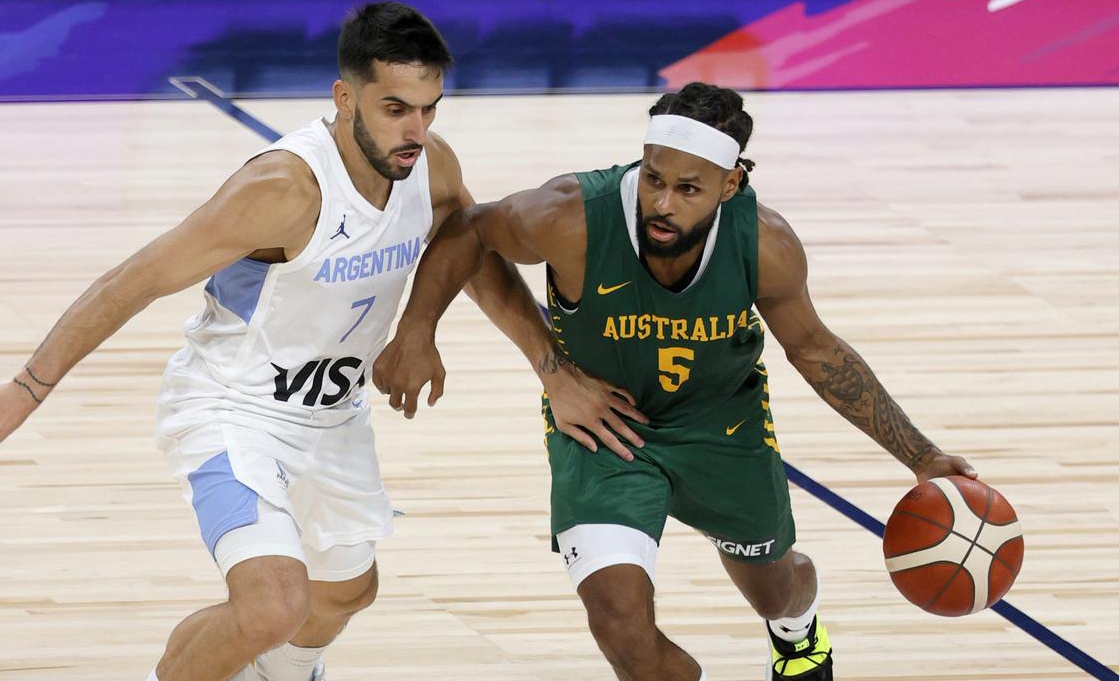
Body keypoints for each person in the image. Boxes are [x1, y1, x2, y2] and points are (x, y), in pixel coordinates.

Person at [0, 2, 639, 681]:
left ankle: (282, 674)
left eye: (429, 110)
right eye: (395, 109)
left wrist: (549, 370)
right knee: (271, 604)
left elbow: (472, 254)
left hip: (333, 420)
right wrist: (24, 392)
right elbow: (133, 281)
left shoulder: (430, 166)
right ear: (345, 96)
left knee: (346, 593)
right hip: (231, 410)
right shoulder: (282, 189)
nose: (415, 131)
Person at [373, 81, 979, 681]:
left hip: (723, 427)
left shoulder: (765, 244)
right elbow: (470, 229)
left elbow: (817, 351)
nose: (663, 203)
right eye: (655, 179)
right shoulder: (572, 214)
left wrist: (921, 456)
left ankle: (798, 634)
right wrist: (417, 329)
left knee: (778, 590)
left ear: (731, 183)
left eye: (689, 189)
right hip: (605, 426)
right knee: (617, 622)